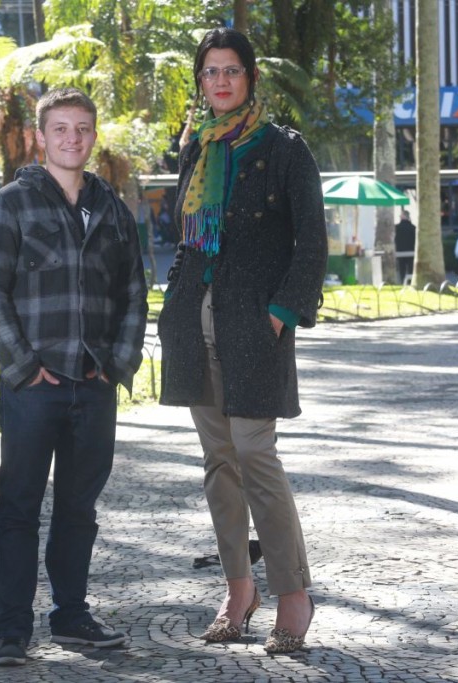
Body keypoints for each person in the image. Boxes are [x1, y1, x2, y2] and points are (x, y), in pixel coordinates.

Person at [157, 28, 327, 655]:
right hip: (195, 318)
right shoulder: (195, 149)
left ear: (251, 78)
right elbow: (189, 241)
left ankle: (293, 595)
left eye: (231, 70)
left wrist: (280, 315)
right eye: (210, 72)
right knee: (218, 465)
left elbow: (312, 241)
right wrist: (174, 305)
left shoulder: (283, 149)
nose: (221, 81)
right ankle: (238, 591)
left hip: (255, 324)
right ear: (200, 82)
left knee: (256, 456)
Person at [0, 87, 148, 667]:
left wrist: (114, 366)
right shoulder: (11, 205)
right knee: (19, 507)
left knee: (79, 510)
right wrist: (23, 367)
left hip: (93, 387)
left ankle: (71, 616)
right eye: (62, 129)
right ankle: (12, 632)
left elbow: (134, 293)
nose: (73, 138)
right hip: (33, 390)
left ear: (93, 137)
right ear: (40, 138)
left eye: (83, 128)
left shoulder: (113, 208)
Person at [394, 210, 416, 283]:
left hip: (400, 252)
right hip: (411, 251)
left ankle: (402, 282)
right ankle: (410, 282)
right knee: (411, 269)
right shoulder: (413, 228)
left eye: (400, 215)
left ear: (403, 216)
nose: (400, 217)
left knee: (401, 269)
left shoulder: (396, 228)